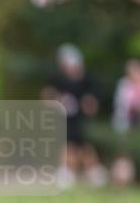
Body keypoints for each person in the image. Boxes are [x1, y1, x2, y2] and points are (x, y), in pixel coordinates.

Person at [41, 43, 107, 188]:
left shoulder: (87, 80)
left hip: (81, 120)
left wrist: (91, 102)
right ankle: (67, 173)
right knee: (67, 144)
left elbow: (95, 98)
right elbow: (47, 96)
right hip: (63, 119)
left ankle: (94, 172)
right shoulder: (57, 79)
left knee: (82, 145)